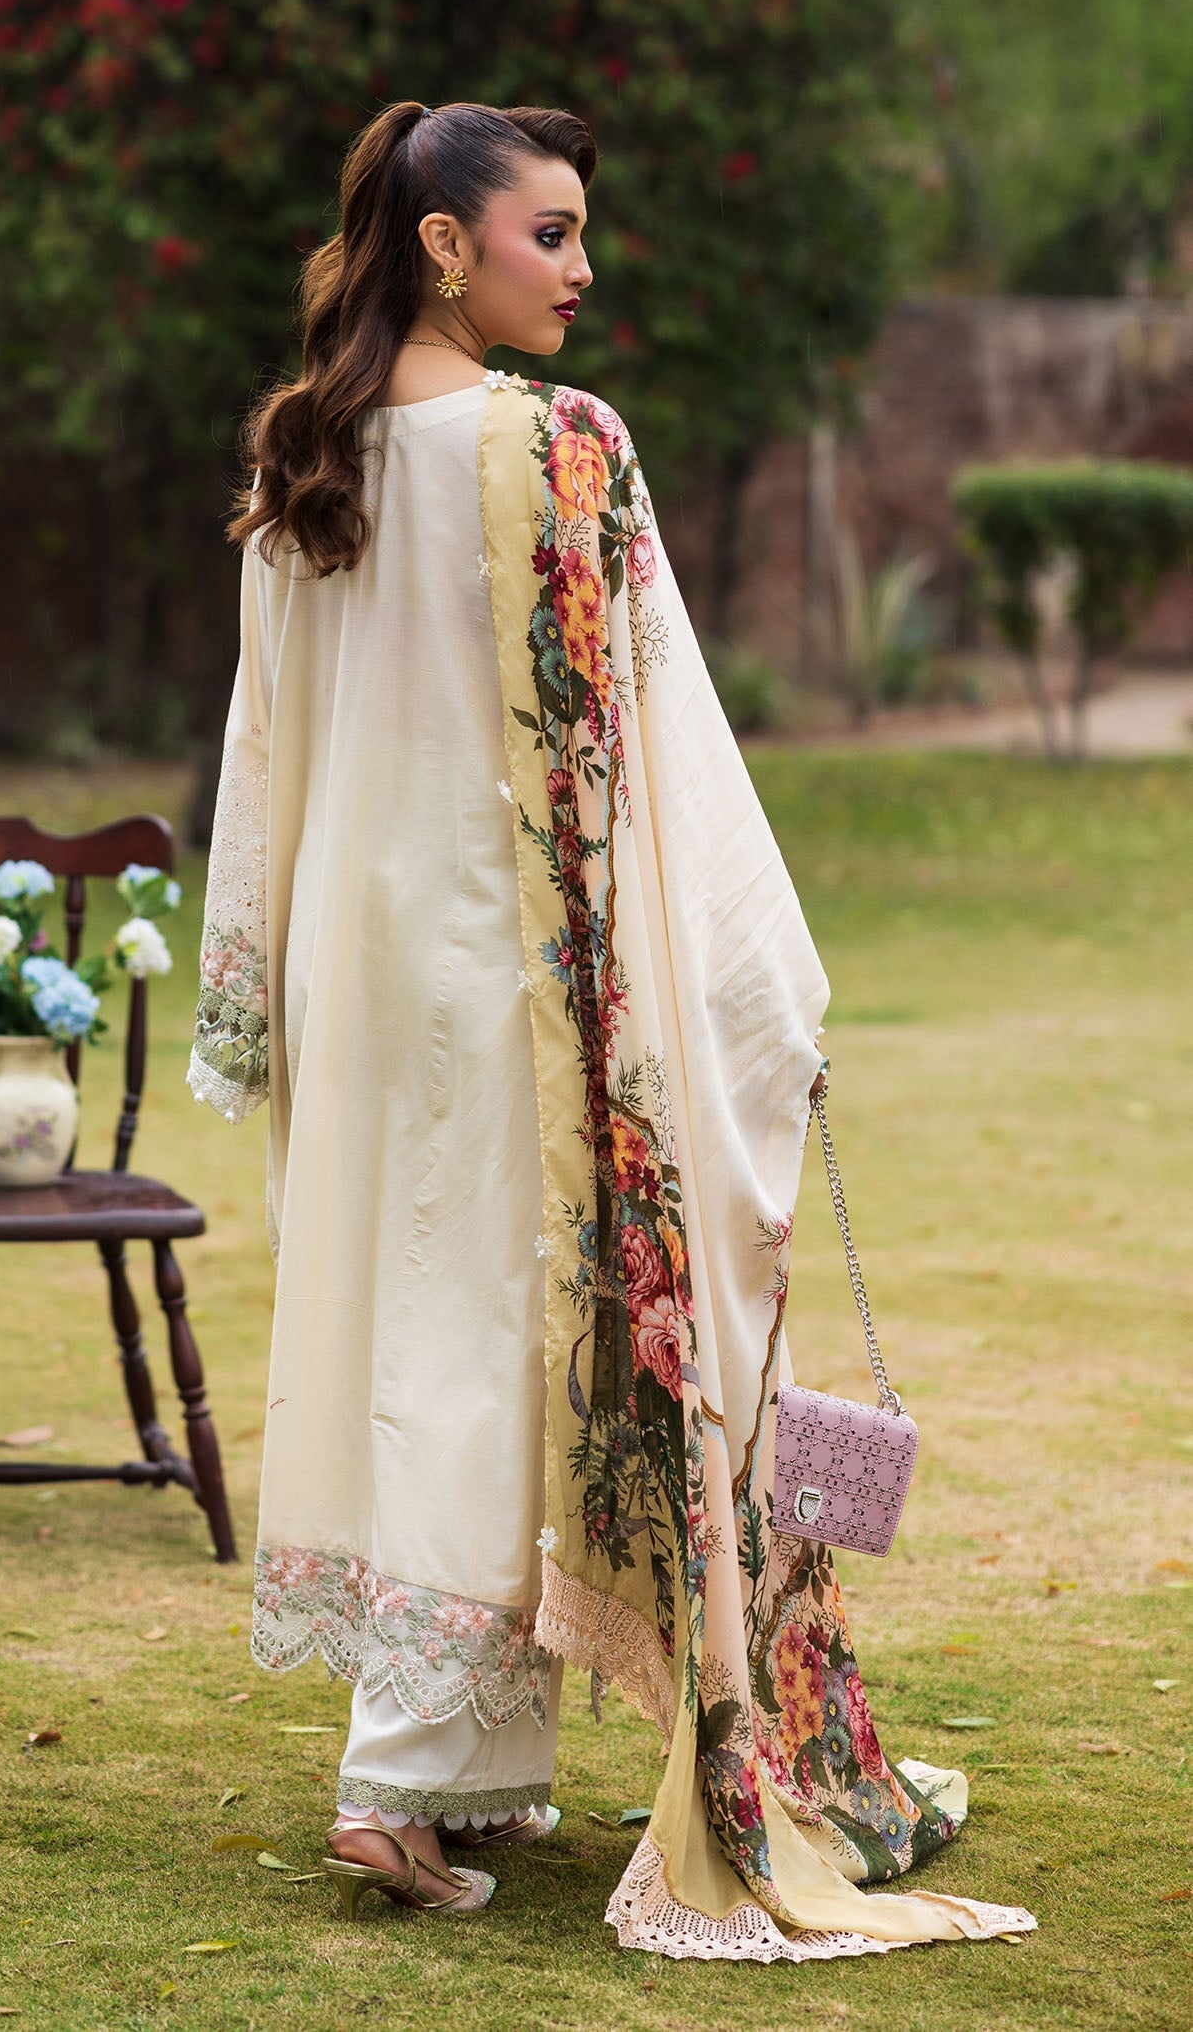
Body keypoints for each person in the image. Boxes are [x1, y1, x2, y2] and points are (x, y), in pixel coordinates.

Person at [188, 99, 1034, 1958]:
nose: (582, 268)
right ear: (444, 245)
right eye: (550, 233)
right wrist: (756, 975)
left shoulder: (310, 450)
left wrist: (256, 989)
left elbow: (262, 747)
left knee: (422, 1326)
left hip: (360, 965)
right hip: (511, 977)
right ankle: (393, 1780)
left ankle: (468, 1763)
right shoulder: (556, 445)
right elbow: (670, 745)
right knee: (495, 1349)